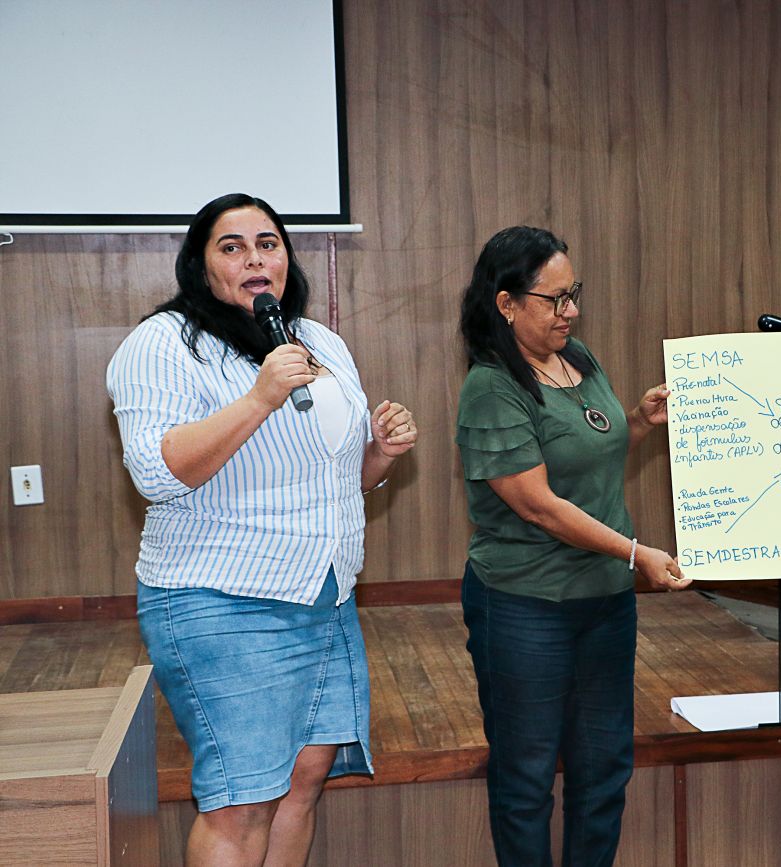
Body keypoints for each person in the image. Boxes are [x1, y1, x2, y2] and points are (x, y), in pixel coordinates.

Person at [106, 193, 418, 866]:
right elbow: (157, 472)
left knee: (303, 781)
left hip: (325, 595)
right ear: (201, 265)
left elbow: (336, 477)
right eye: (233, 246)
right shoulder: (163, 344)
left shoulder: (317, 340)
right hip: (221, 599)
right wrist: (259, 398)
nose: (255, 259)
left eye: (268, 243)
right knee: (242, 800)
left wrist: (381, 453)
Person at [455, 225, 689, 866]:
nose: (571, 311)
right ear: (507, 304)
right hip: (525, 605)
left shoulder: (577, 357)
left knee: (603, 769)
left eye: (573, 293)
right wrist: (636, 554)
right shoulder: (491, 387)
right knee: (527, 778)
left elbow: (589, 454)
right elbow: (539, 505)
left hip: (603, 600)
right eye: (554, 299)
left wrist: (638, 421)